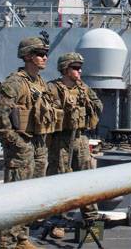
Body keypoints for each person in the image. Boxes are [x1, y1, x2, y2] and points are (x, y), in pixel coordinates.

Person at [0, 36, 55, 249]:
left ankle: (21, 238)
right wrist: (17, 143)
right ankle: (6, 243)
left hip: (38, 146)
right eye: (39, 54)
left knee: (31, 197)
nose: (44, 57)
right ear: (27, 56)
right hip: (21, 148)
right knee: (14, 198)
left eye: (45, 54)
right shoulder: (15, 82)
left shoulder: (40, 83)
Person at [46, 52, 103, 238]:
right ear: (65, 69)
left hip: (80, 137)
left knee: (86, 179)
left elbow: (98, 106)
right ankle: (58, 221)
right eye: (75, 67)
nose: (79, 71)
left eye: (80, 68)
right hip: (60, 140)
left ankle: (92, 220)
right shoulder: (52, 89)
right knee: (60, 179)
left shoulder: (84, 89)